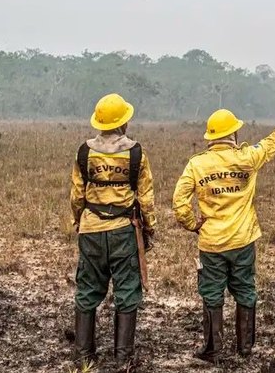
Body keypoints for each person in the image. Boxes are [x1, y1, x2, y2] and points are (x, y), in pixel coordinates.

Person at [172, 109, 275, 363]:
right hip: (243, 240)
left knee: (212, 294)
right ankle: (245, 347)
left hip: (211, 243)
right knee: (245, 289)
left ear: (210, 137)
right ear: (234, 133)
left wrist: (192, 224)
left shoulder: (197, 164)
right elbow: (272, 142)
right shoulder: (248, 157)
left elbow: (179, 203)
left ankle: (213, 349)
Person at [70, 93, 156, 369]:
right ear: (124, 123)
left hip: (91, 230)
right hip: (124, 230)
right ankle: (123, 358)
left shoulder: (84, 152)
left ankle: (84, 355)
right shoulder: (136, 153)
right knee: (127, 291)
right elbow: (146, 197)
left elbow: (76, 196)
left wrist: (78, 221)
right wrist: (149, 229)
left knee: (87, 289)